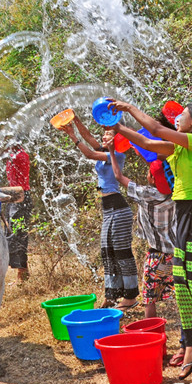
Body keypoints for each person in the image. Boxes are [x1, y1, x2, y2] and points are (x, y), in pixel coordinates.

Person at [111, 100, 192, 380]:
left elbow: (156, 129)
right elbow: (147, 142)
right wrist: (118, 126)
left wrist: (128, 108)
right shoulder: (179, 147)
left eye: (182, 115)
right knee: (182, 284)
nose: (177, 118)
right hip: (182, 218)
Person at [60, 114, 138, 311]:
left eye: (108, 135)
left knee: (122, 252)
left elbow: (89, 154)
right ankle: (111, 295)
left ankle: (130, 296)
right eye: (104, 134)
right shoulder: (105, 150)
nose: (103, 137)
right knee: (108, 253)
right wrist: (75, 120)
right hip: (108, 209)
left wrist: (72, 135)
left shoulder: (117, 155)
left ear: (117, 139)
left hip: (118, 209)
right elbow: (88, 137)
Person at [108, 151, 175, 319]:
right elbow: (159, 173)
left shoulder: (146, 194)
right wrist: (141, 151)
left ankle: (150, 327)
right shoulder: (176, 193)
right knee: (181, 292)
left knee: (149, 297)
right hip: (177, 254)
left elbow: (118, 176)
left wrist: (112, 151)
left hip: (156, 255)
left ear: (151, 179)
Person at [5, 145, 32, 282]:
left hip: (21, 197)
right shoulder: (12, 155)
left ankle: (23, 273)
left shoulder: (20, 155)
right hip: (13, 196)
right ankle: (21, 271)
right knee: (10, 233)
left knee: (19, 234)